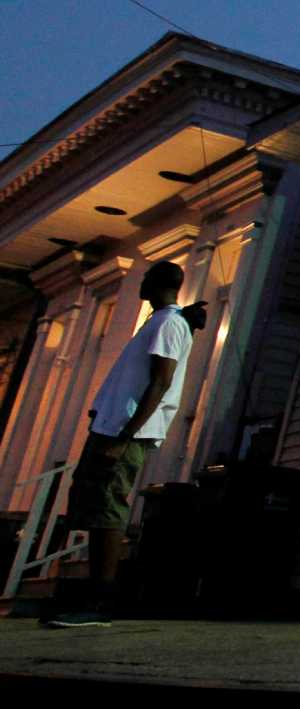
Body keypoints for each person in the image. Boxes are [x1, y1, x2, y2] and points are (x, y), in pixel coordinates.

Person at [43, 261, 196, 628]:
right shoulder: (159, 322)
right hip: (111, 428)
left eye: (145, 278)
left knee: (109, 508)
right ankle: (92, 595)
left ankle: (100, 604)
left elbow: (160, 383)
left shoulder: (168, 324)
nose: (140, 282)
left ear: (158, 283)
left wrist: (124, 436)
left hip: (124, 434)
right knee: (94, 508)